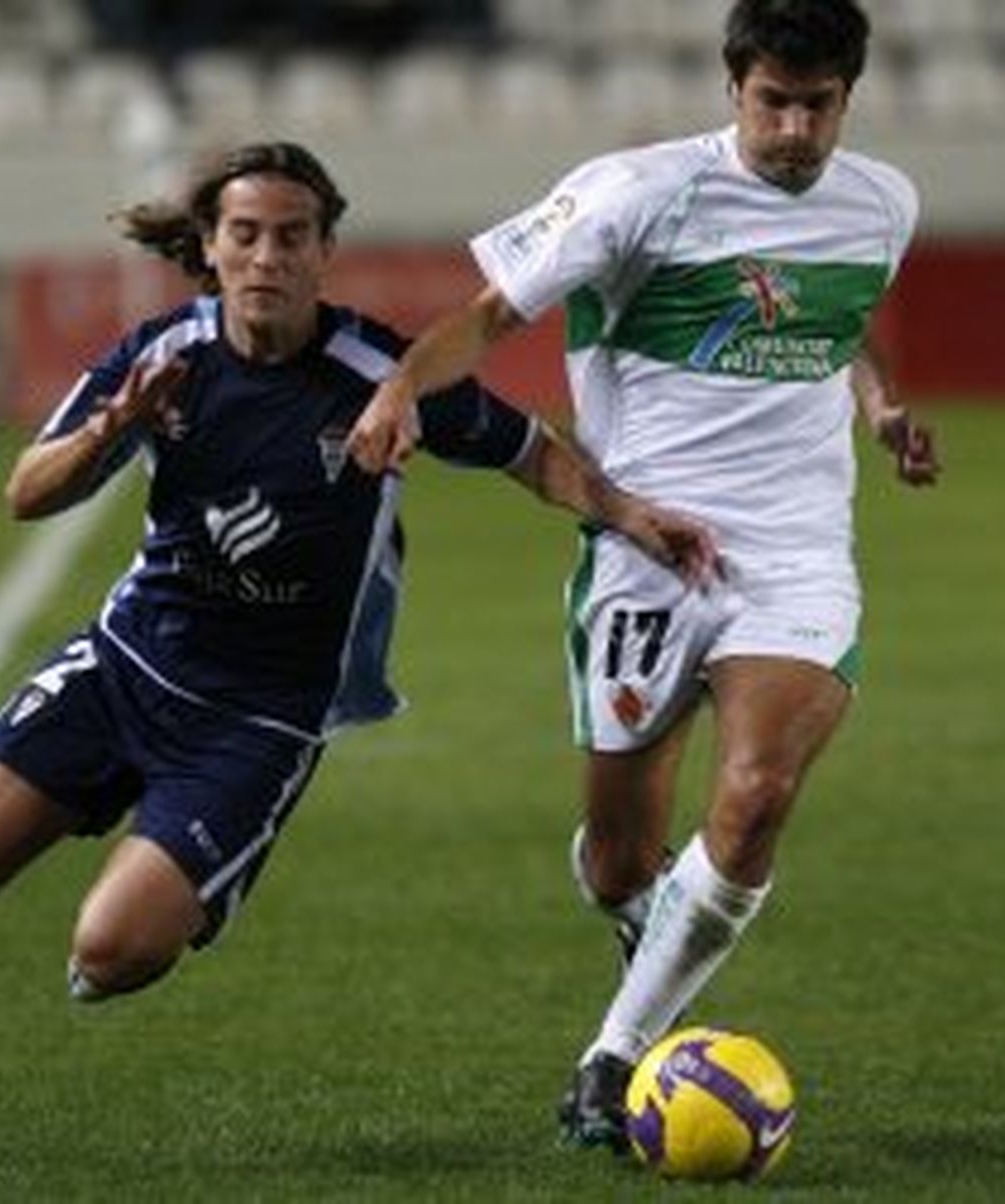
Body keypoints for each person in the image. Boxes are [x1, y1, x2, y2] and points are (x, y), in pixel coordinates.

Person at [0, 141, 717, 1172]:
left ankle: (187, 879)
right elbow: (27, 491)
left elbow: (526, 450)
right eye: (244, 235)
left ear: (324, 252)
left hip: (256, 722)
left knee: (110, 954)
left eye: (290, 236)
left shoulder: (378, 377)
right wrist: (111, 431)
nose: (266, 256)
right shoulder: (163, 354)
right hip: (126, 663)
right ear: (210, 250)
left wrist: (625, 514)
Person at [346, 0, 940, 1152]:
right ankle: (645, 916)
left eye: (817, 106)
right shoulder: (636, 193)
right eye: (773, 100)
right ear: (733, 87)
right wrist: (398, 388)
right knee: (623, 856)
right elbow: (485, 315)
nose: (793, 129)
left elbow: (838, 320)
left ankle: (610, 1056)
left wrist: (880, 404)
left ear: (848, 100)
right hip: (645, 550)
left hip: (795, 554)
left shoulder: (883, 203)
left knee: (758, 791)